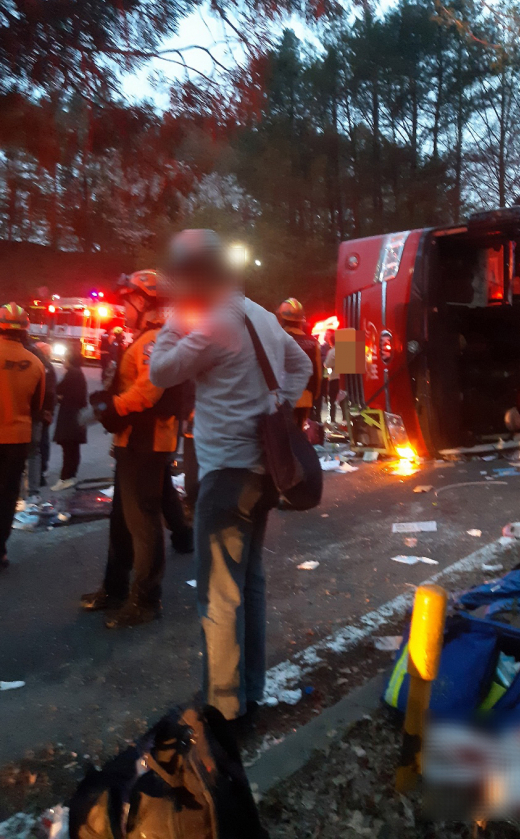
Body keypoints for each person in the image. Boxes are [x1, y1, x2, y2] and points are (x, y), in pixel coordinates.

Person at [149, 229, 312, 725]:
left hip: (225, 474)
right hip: (266, 472)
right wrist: (272, 405)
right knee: (252, 582)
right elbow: (302, 365)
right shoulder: (261, 315)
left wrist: (172, 322)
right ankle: (253, 692)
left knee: (220, 594)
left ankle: (224, 711)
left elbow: (159, 371)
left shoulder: (215, 323)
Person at [81, 270, 183, 629]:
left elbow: (149, 390)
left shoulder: (158, 340)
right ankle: (115, 589)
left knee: (143, 523)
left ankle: (146, 599)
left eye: (126, 302)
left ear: (143, 301)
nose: (122, 309)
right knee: (121, 523)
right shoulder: (145, 338)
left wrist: (111, 407)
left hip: (147, 443)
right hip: (131, 441)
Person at [0, 303, 45, 570]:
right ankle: (1, 549)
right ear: (25, 330)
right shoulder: (36, 364)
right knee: (7, 496)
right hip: (17, 440)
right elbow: (38, 407)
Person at [276, 298, 322, 428]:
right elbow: (317, 373)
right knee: (299, 431)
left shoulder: (278, 339)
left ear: (282, 319)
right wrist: (315, 394)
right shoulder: (313, 342)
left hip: (282, 397)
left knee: (281, 434)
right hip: (305, 396)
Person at [51, 346, 88, 491]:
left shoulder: (72, 374)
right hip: (76, 417)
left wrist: (60, 397)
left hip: (69, 417)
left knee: (69, 449)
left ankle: (65, 478)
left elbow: (58, 390)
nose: (62, 361)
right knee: (73, 449)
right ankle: (71, 476)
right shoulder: (78, 373)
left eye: (65, 358)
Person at [34, 342, 57, 487]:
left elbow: (48, 392)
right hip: (45, 411)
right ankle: (42, 470)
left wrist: (46, 411)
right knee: (43, 441)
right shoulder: (48, 367)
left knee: (40, 443)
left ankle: (41, 472)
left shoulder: (42, 366)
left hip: (42, 411)